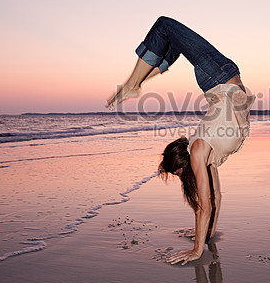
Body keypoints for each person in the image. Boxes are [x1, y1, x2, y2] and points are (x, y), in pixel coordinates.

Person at [107, 17, 255, 265]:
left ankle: (134, 83)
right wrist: (205, 237)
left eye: (175, 173)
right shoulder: (206, 156)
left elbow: (206, 206)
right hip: (221, 77)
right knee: (168, 37)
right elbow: (215, 197)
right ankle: (138, 81)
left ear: (181, 163)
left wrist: (197, 250)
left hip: (218, 77)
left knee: (164, 27)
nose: (178, 176)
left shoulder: (200, 153)